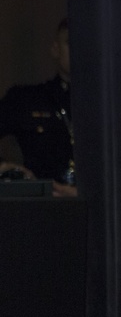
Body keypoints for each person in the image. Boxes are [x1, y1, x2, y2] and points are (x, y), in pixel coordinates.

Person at [0, 18, 77, 197]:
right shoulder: (28, 99)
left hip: (101, 209)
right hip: (43, 206)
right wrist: (5, 168)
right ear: (56, 49)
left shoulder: (111, 106)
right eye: (70, 43)